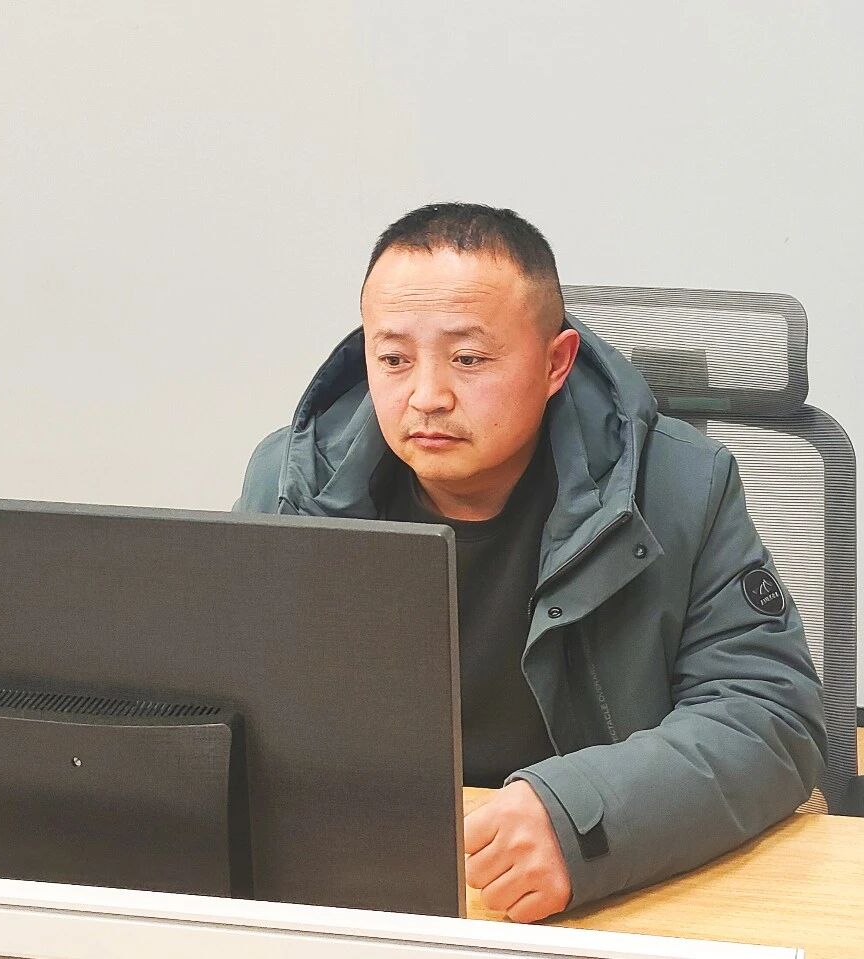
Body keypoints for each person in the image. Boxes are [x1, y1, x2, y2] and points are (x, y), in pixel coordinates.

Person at [235, 202, 826, 923]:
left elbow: (769, 715)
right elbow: (232, 706)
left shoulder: (677, 486)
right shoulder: (292, 485)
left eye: (468, 359)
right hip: (368, 889)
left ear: (555, 363)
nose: (427, 396)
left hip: (593, 893)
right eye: (393, 359)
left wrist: (581, 815)